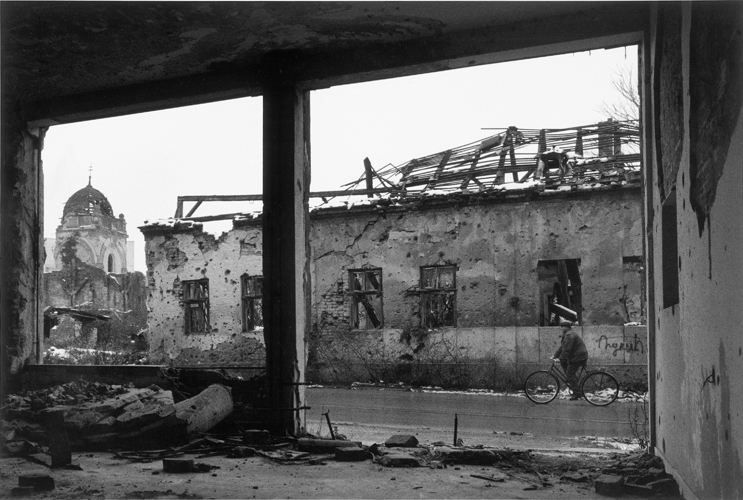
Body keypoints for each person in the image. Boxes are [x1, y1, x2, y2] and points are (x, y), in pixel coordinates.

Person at [552, 320, 588, 400]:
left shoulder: (569, 335)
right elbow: (562, 347)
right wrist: (556, 355)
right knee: (568, 371)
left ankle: (577, 393)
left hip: (578, 357)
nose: (560, 328)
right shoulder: (568, 334)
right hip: (577, 356)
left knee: (570, 374)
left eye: (562, 327)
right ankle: (574, 386)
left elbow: (567, 349)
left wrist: (560, 358)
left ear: (566, 327)